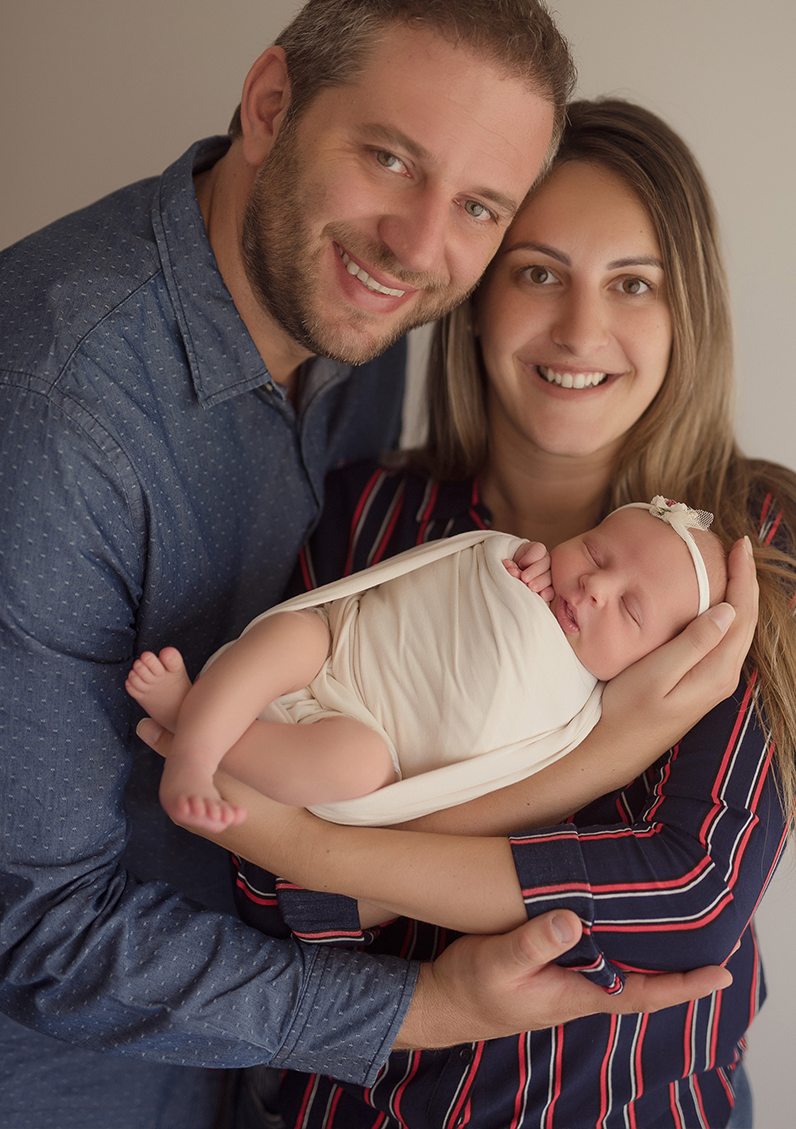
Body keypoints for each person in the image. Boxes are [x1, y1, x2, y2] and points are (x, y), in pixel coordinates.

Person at [0, 0, 735, 1129]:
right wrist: (419, 1007)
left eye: (477, 207)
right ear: (271, 102)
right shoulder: (55, 413)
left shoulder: (358, 346)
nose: (414, 243)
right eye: (389, 158)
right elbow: (35, 930)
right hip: (66, 1083)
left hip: (253, 1075)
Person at [139, 98, 790, 1128]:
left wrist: (325, 847)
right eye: (537, 273)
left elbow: (686, 899)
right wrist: (600, 757)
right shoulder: (368, 515)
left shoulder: (749, 547)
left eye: (632, 284)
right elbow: (264, 896)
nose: (579, 330)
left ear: (686, 313)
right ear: (478, 297)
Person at [127, 498, 727, 833]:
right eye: (596, 551)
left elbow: (507, 782)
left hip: (371, 739)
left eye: (629, 609)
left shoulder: (585, 716)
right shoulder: (527, 572)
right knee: (294, 635)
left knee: (353, 765)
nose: (595, 585)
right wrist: (511, 567)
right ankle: (196, 751)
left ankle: (190, 718)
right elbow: (456, 569)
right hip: (339, 648)